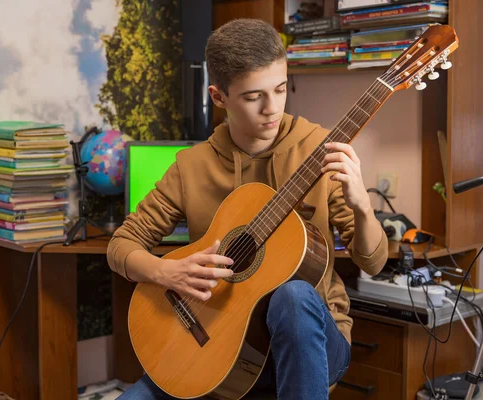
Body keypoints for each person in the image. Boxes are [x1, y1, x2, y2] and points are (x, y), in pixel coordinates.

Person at [107, 18, 388, 400]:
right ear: (218, 97)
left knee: (293, 295)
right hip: (214, 344)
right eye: (254, 96)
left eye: (281, 89)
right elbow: (121, 245)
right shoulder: (191, 166)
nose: (272, 109)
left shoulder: (322, 149)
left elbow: (373, 263)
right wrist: (166, 271)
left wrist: (362, 208)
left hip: (309, 346)